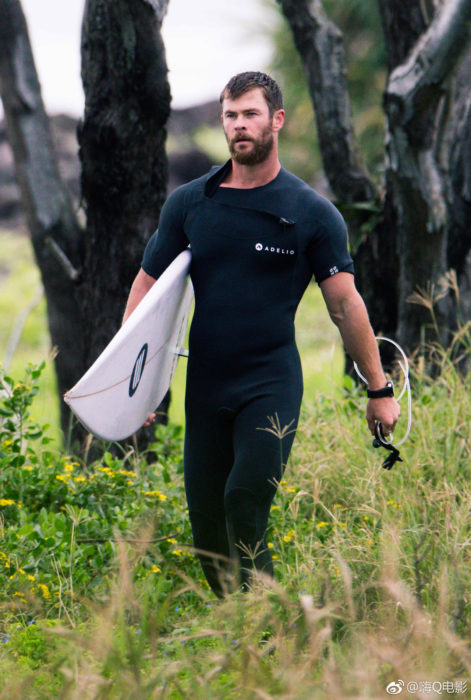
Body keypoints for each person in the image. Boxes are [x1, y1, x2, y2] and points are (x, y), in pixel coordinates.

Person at [123, 71, 400, 597]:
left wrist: (379, 389)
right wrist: (134, 385)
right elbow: (146, 289)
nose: (238, 126)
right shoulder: (190, 203)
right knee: (207, 530)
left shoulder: (310, 212)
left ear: (276, 119)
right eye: (230, 115)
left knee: (244, 500)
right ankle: (242, 629)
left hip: (269, 382)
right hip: (204, 385)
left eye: (250, 114)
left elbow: (344, 304)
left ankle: (268, 622)